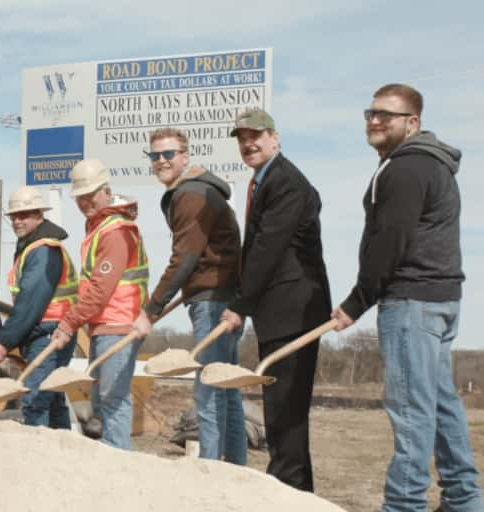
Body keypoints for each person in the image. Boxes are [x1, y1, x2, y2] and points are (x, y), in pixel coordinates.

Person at [331, 84, 484, 512]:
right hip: (439, 300)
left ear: (412, 122)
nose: (375, 121)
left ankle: (403, 508)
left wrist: (357, 302)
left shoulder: (405, 168)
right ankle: (463, 499)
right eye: (370, 113)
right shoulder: (431, 166)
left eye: (387, 115)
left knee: (411, 407)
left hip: (412, 301)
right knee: (439, 402)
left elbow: (389, 243)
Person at [222, 109, 331, 489]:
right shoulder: (264, 180)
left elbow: (267, 249)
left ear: (275, 137)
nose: (248, 143)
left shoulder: (285, 182)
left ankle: (289, 486)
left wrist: (240, 304)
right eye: (241, 138)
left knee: (286, 404)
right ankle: (292, 484)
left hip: (294, 309)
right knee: (279, 403)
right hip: (278, 310)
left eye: (257, 135)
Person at [132, 128, 246, 465]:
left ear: (185, 156)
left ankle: (211, 472)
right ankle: (237, 471)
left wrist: (151, 310)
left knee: (209, 389)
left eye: (169, 154)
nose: (162, 161)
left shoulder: (191, 195)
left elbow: (185, 257)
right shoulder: (196, 191)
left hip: (213, 301)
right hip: (217, 294)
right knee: (226, 388)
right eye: (155, 156)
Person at [51, 159, 149, 450]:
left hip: (118, 324)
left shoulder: (115, 232)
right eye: (80, 197)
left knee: (112, 399)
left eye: (91, 195)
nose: (85, 202)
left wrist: (68, 323)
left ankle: (118, 464)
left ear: (106, 191)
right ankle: (111, 460)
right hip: (104, 324)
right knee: (102, 399)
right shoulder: (100, 227)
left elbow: (100, 289)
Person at [0, 186, 78, 428]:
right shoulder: (33, 247)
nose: (17, 221)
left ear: (39, 214)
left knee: (36, 399)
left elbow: (31, 302)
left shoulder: (42, 250)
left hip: (49, 334)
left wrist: (5, 341)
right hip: (48, 332)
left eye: (24, 215)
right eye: (14, 216)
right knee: (53, 397)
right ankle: (62, 455)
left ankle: (39, 458)